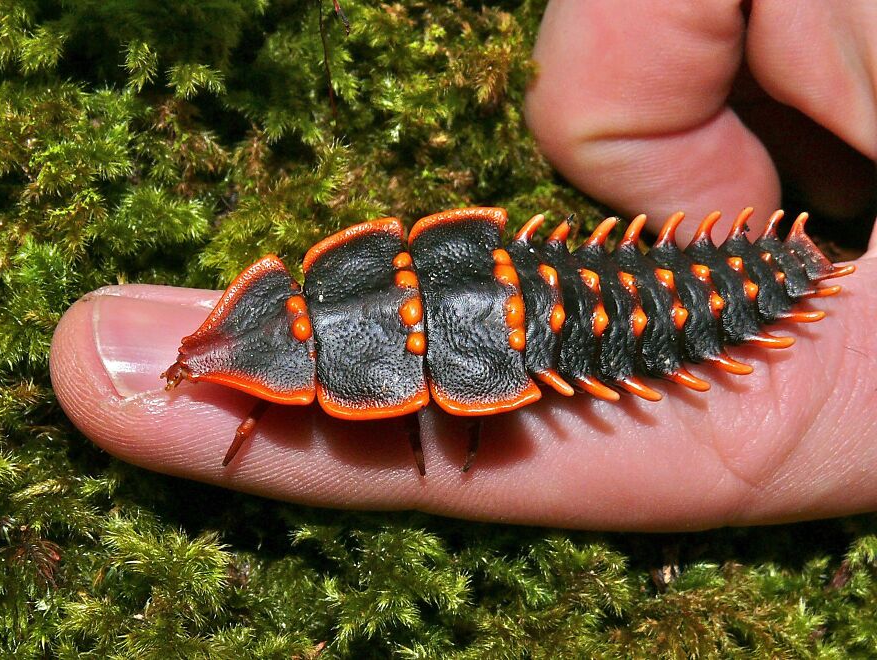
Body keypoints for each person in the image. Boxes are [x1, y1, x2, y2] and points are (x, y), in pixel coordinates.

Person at [50, 1, 876, 530]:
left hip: (682, 301)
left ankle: (783, 275)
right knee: (630, 291)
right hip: (583, 285)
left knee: (661, 310)